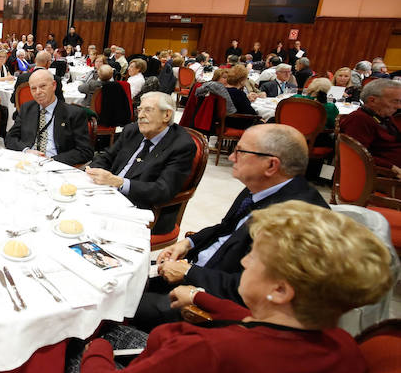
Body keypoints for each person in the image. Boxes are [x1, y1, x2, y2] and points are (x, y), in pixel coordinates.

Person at [69, 201, 393, 373]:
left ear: (280, 290)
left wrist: (94, 343)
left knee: (68, 346)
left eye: (256, 257)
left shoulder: (212, 354)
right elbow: (264, 332)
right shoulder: (341, 344)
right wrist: (201, 297)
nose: (244, 261)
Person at [134, 124, 328, 330]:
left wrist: (190, 273)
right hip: (195, 271)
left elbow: (259, 289)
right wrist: (188, 243)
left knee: (117, 302)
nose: (233, 157)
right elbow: (226, 228)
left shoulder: (299, 218)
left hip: (211, 302)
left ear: (271, 165)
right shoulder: (261, 186)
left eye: (241, 151)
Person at [87, 92, 196, 235]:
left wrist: (119, 183)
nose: (140, 116)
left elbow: (163, 190)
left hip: (144, 209)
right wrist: (95, 171)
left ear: (167, 115)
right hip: (106, 195)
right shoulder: (132, 130)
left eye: (148, 110)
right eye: (139, 110)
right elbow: (107, 157)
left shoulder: (181, 145)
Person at [5, 69, 93, 166]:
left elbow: (85, 151)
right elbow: (10, 137)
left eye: (43, 86)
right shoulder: (27, 108)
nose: (38, 92)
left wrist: (52, 160)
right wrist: (27, 151)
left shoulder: (73, 114)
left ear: (54, 85)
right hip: (28, 163)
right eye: (33, 88)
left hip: (55, 165)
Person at [340, 78, 401, 172]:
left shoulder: (385, 117)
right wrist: (391, 167)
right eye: (395, 101)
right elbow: (357, 154)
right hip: (384, 174)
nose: (399, 106)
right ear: (372, 100)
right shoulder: (359, 119)